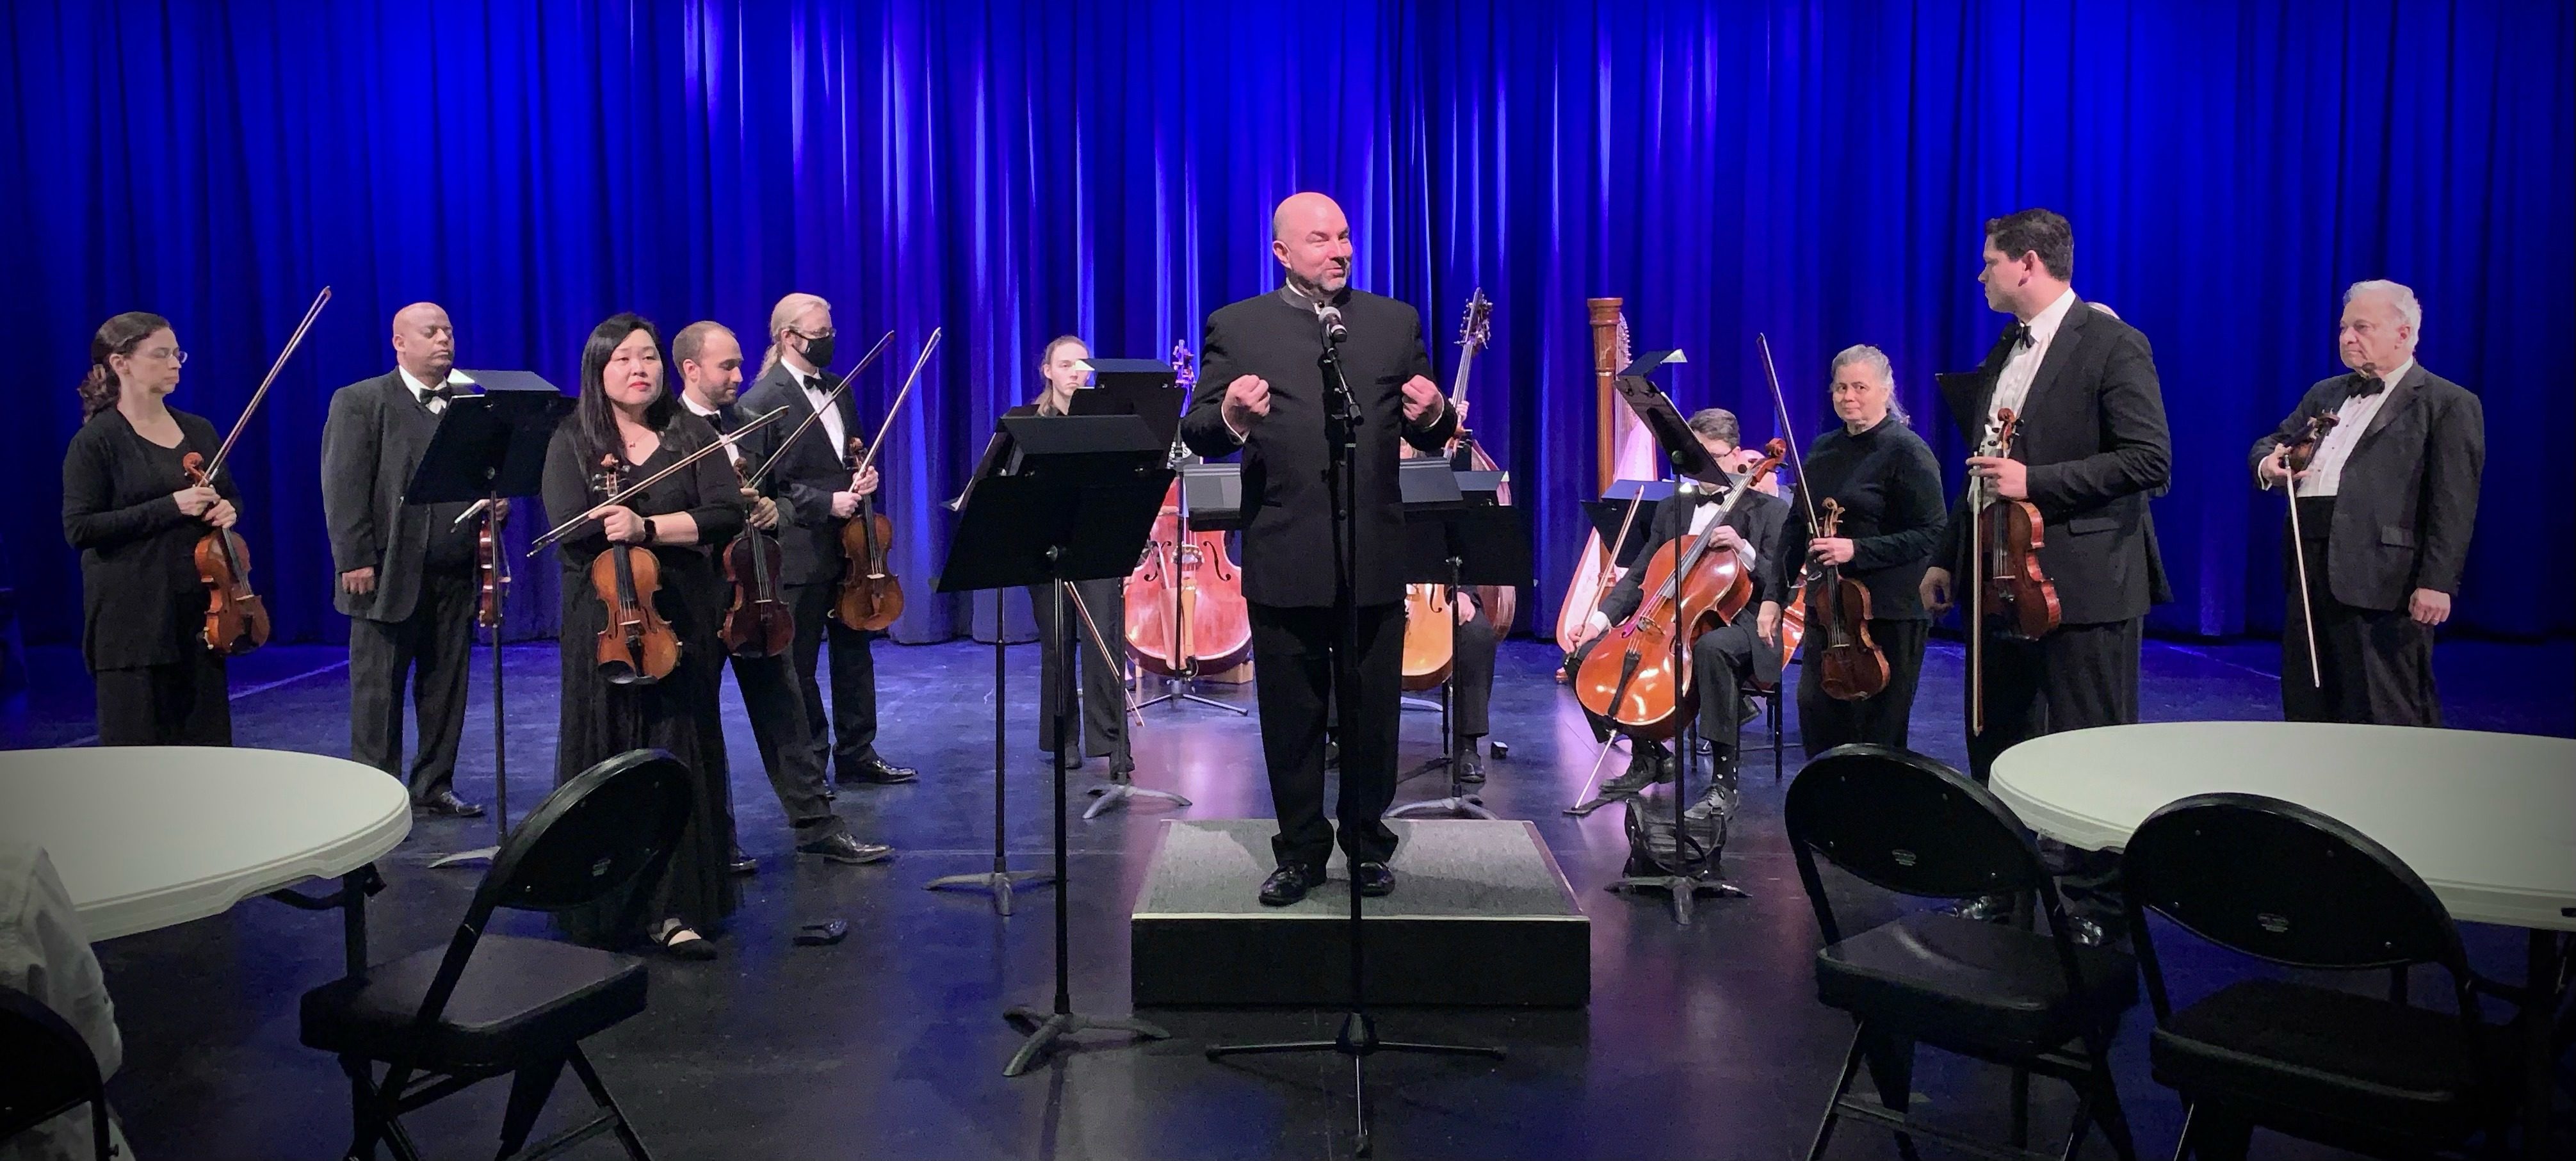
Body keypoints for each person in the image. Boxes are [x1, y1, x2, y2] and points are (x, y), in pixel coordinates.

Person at [1178, 191, 1456, 906]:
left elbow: (1426, 426)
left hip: (1373, 554)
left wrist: (1439, 415)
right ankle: (1300, 851)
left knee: (1373, 717)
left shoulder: (1393, 322)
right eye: (1321, 239)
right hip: (1285, 553)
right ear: (1282, 252)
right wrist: (1231, 416)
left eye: (1345, 236)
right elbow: (1199, 428)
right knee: (1292, 720)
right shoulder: (1238, 326)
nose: (1341, 250)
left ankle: (1366, 845)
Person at [1922, 208, 2171, 944]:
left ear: (2028, 263)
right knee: (1996, 737)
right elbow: (1983, 470)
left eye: (1990, 261)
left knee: (2090, 744)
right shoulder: (2007, 346)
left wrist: (2038, 481)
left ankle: (2095, 904)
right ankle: (2003, 884)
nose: (1981, 274)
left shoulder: (2113, 343)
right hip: (2001, 580)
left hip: (2086, 584)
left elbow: (2149, 460)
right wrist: (1946, 555)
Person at [540, 314, 743, 959]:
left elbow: (725, 513)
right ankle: (603, 904)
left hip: (678, 616)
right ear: (598, 370)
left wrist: (647, 528)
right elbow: (570, 528)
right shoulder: (571, 440)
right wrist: (614, 527)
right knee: (604, 754)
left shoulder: (691, 433)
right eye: (624, 358)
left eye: (650, 356)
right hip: (603, 623)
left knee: (676, 755)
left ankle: (674, 907)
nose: (640, 368)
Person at [670, 320, 894, 868]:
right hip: (697, 596)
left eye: (739, 364)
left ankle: (817, 826)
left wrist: (778, 510)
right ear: (691, 370)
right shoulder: (669, 436)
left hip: (756, 590)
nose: (739, 375)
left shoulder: (748, 421)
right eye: (727, 366)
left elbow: (782, 495)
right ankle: (716, 840)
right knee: (700, 724)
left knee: (785, 711)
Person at [2251, 280, 2482, 726]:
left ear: (2403, 333)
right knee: (2309, 697)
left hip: (2383, 576)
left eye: (2361, 328)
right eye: (2343, 328)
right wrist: (2268, 464)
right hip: (2310, 563)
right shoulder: (2325, 393)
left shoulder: (2446, 403)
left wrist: (2437, 581)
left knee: (2382, 704)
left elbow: (2454, 501)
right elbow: (2273, 441)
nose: (2347, 337)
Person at [733, 293, 917, 788]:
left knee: (855, 653)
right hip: (800, 548)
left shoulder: (839, 388)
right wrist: (824, 501)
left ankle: (857, 751)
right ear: (788, 338)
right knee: (800, 665)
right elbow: (761, 486)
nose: (829, 341)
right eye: (819, 335)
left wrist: (863, 476)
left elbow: (849, 454)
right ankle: (810, 765)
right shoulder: (759, 402)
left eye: (830, 332)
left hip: (851, 546)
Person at [1565, 409, 1787, 817]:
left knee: (1712, 649)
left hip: (1747, 621)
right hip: (1668, 619)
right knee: (1584, 658)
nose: (1704, 468)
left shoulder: (1768, 511)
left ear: (1736, 454)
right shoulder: (1673, 508)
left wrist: (1742, 548)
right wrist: (1598, 622)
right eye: (1697, 457)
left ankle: (1723, 782)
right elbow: (1640, 575)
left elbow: (1779, 582)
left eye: (1713, 457)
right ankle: (1650, 757)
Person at [319, 302, 488, 818]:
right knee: (379, 692)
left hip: (453, 572)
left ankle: (434, 783)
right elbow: (343, 485)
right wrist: (354, 558)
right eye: (430, 332)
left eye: (448, 331)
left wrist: (493, 501)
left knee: (445, 687)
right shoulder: (361, 401)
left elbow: (477, 474)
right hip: (386, 572)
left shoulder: (469, 401)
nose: (443, 340)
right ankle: (376, 794)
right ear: (399, 343)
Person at [60, 312, 237, 745]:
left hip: (199, 616)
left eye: (177, 354)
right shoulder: (97, 441)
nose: (175, 363)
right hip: (132, 624)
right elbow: (80, 528)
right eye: (161, 355)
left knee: (208, 754)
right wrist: (171, 506)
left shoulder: (198, 430)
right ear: (121, 364)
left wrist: (228, 510)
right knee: (138, 757)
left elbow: (232, 496)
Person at [1758, 345, 1945, 753]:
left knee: (1879, 733)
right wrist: (1774, 596)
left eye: (1860, 387)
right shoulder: (1823, 450)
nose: (1848, 397)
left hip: (1889, 612)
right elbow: (1796, 527)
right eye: (1841, 387)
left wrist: (1856, 550)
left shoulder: (1907, 451)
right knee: (1817, 714)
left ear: (1885, 391)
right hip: (1829, 609)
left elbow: (1932, 533)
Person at [1017, 335, 1132, 774]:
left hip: (1096, 543)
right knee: (1057, 644)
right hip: (1045, 545)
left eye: (1082, 365)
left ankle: (1114, 742)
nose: (1075, 373)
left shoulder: (1107, 422)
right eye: (1065, 365)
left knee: (1105, 643)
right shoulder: (1028, 422)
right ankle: (1062, 737)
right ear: (1047, 371)